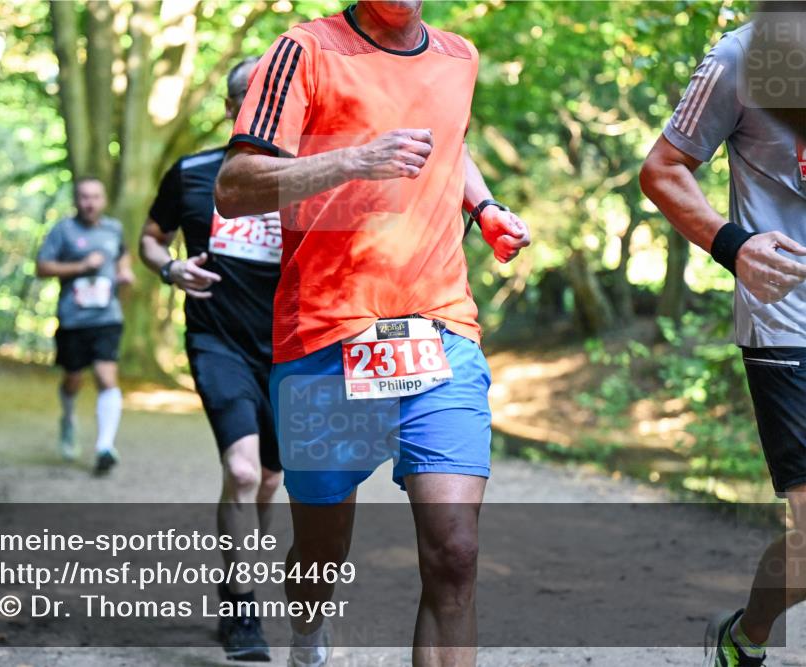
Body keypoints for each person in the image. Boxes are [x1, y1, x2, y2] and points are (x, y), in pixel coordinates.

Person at [215, 3, 530, 665]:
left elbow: (451, 140)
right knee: (320, 556)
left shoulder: (458, 57)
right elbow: (236, 186)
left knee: (455, 553)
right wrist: (356, 159)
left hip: (438, 328)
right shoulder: (301, 51)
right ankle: (308, 629)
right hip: (326, 335)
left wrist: (485, 206)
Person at [639, 20, 806, 667]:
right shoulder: (740, 57)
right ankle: (747, 635)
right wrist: (733, 246)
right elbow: (662, 169)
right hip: (787, 323)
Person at [140, 56, 282, 662]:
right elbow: (149, 237)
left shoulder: (306, 177)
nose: (261, 105)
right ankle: (244, 608)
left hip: (289, 349)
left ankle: (234, 576)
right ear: (230, 109)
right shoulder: (193, 173)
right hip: (217, 339)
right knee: (244, 473)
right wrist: (169, 266)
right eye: (249, 97)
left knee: (271, 479)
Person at [36, 177, 135, 474]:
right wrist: (80, 266)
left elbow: (123, 252)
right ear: (76, 200)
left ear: (103, 200)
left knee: (107, 377)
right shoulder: (63, 231)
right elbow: (42, 267)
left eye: (95, 197)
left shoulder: (113, 229)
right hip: (73, 318)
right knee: (73, 379)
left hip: (107, 317)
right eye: (84, 197)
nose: (89, 202)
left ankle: (105, 447)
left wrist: (125, 271)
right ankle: (67, 419)